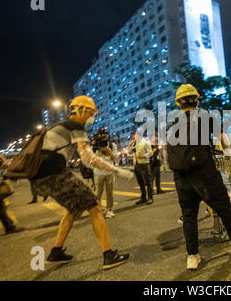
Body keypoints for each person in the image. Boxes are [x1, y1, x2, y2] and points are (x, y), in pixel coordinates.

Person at [29, 95, 133, 269]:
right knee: (94, 206)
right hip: (54, 175)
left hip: (41, 178)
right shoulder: (76, 126)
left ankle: (56, 251)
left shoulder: (59, 126)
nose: (93, 116)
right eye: (91, 112)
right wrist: (116, 169)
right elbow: (88, 158)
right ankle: (109, 255)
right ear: (81, 110)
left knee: (73, 208)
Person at [167, 83, 231, 270]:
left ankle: (192, 256)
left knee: (189, 215)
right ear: (197, 100)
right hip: (204, 173)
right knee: (224, 207)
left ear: (179, 104)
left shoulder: (174, 124)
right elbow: (223, 139)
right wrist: (228, 153)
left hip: (182, 177)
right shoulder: (206, 117)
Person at [93, 130, 116, 219]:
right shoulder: (94, 147)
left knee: (110, 193)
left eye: (104, 134)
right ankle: (98, 209)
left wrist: (108, 150)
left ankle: (109, 209)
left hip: (109, 173)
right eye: (101, 134)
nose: (103, 136)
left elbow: (114, 158)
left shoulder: (112, 145)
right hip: (98, 173)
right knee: (98, 193)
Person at [127, 130, 154, 205]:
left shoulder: (145, 142)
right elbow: (129, 152)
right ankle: (143, 197)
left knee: (147, 182)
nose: (133, 137)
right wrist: (129, 145)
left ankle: (150, 197)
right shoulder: (134, 143)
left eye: (134, 135)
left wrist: (143, 156)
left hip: (144, 164)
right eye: (132, 136)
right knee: (140, 182)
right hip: (137, 165)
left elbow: (150, 152)